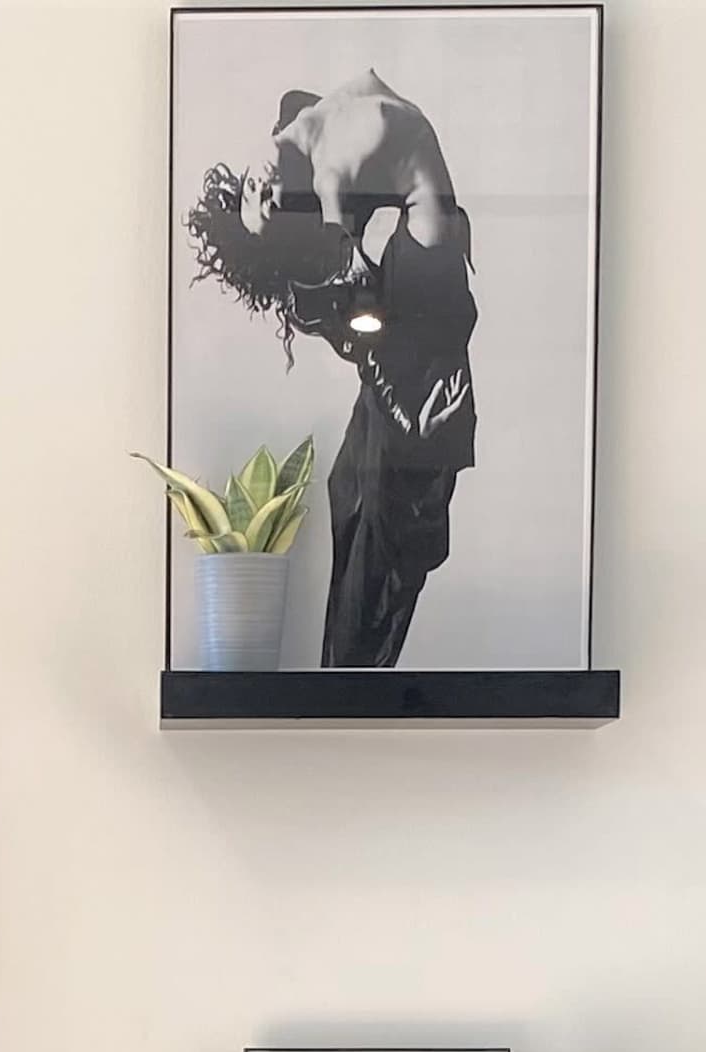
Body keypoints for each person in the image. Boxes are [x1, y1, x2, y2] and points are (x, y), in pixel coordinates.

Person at [183, 71, 479, 667]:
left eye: (252, 193)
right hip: (418, 265)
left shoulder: (296, 124)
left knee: (383, 535)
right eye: (268, 208)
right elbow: (356, 286)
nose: (263, 191)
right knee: (347, 488)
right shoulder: (325, 181)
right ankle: (342, 679)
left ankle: (351, 677)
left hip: (424, 276)